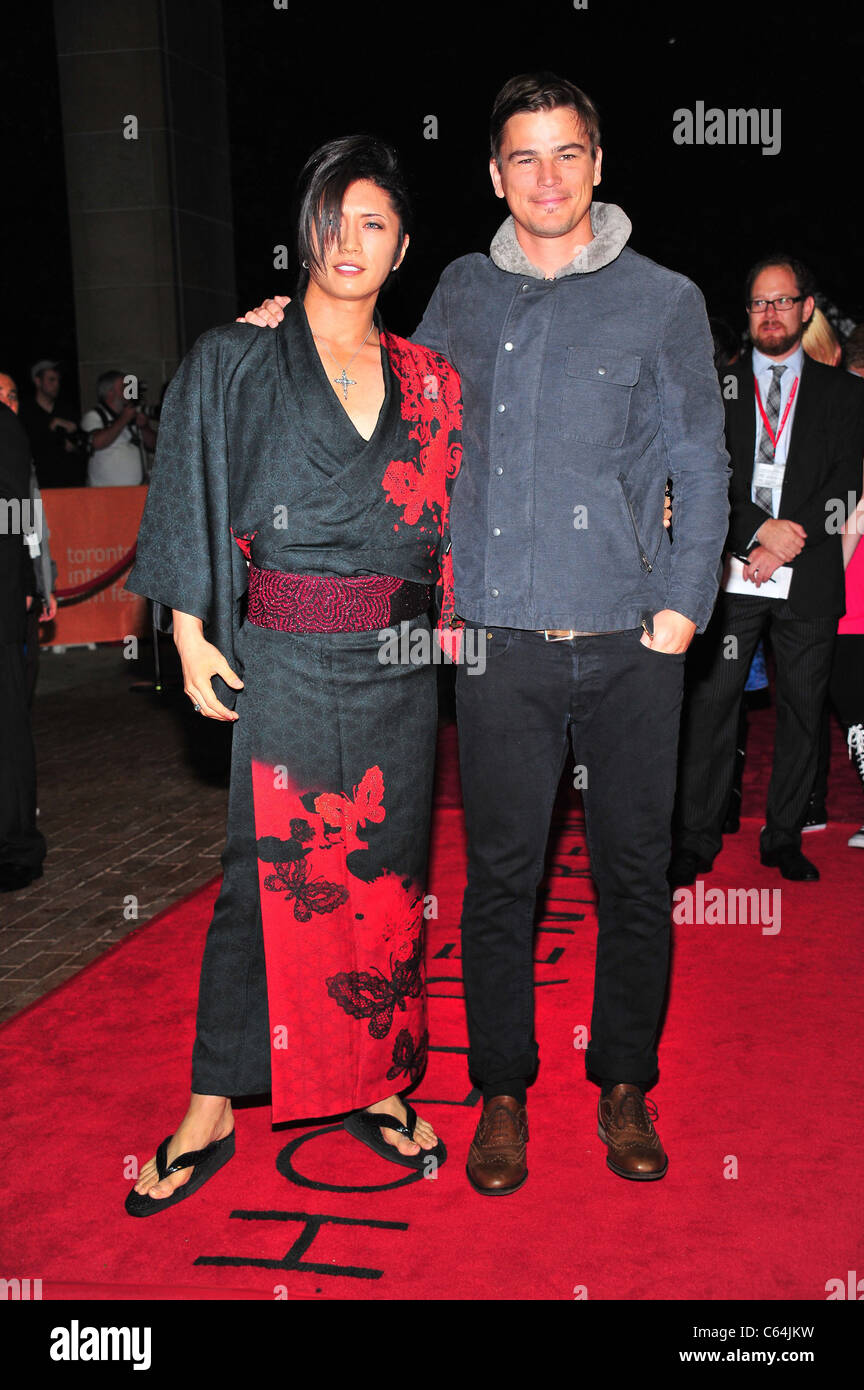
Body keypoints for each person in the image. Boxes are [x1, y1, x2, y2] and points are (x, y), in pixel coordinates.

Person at [243, 72, 731, 1192]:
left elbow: (702, 464)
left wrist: (680, 608)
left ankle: (622, 1083)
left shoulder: (663, 297)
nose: (548, 177)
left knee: (629, 875)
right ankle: (501, 1089)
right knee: (499, 881)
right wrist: (291, 322)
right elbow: (383, 382)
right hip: (497, 642)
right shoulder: (462, 290)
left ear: (599, 164)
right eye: (525, 157)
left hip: (628, 639)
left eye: (568, 154)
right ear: (496, 173)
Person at [123, 135, 460, 1215]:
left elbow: (463, 525)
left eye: (375, 223)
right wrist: (186, 629)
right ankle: (214, 1102)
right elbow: (189, 480)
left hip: (402, 666)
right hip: (282, 652)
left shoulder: (435, 380)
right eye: (334, 219)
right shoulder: (236, 356)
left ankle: (374, 1081)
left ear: (402, 244)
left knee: (386, 878)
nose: (351, 242)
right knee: (261, 883)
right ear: (305, 233)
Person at [671, 256, 864, 887]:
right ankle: (696, 837)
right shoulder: (715, 385)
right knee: (712, 705)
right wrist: (756, 531)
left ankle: (783, 835)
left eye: (783, 302)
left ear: (807, 308)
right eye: (759, 303)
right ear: (748, 312)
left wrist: (784, 543)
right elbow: (701, 476)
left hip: (807, 573)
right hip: (731, 571)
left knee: (803, 709)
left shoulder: (846, 393)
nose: (771, 313)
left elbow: (846, 480)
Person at [0, 382, 47, 891]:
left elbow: (16, 511)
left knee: (8, 727)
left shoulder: (3, 426)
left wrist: (31, 579)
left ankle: (16, 847)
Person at [18, 360, 85, 488]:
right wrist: (51, 430)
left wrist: (74, 442)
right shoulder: (26, 412)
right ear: (38, 381)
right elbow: (28, 445)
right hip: (39, 482)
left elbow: (81, 444)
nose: (56, 385)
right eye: (51, 380)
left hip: (67, 482)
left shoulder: (66, 409)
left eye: (58, 380)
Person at [82, 371, 156, 487]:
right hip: (106, 495)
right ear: (110, 392)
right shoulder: (94, 416)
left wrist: (144, 427)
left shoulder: (131, 415)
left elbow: (154, 445)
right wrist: (123, 420)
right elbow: (97, 442)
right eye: (124, 387)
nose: (129, 392)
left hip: (137, 492)